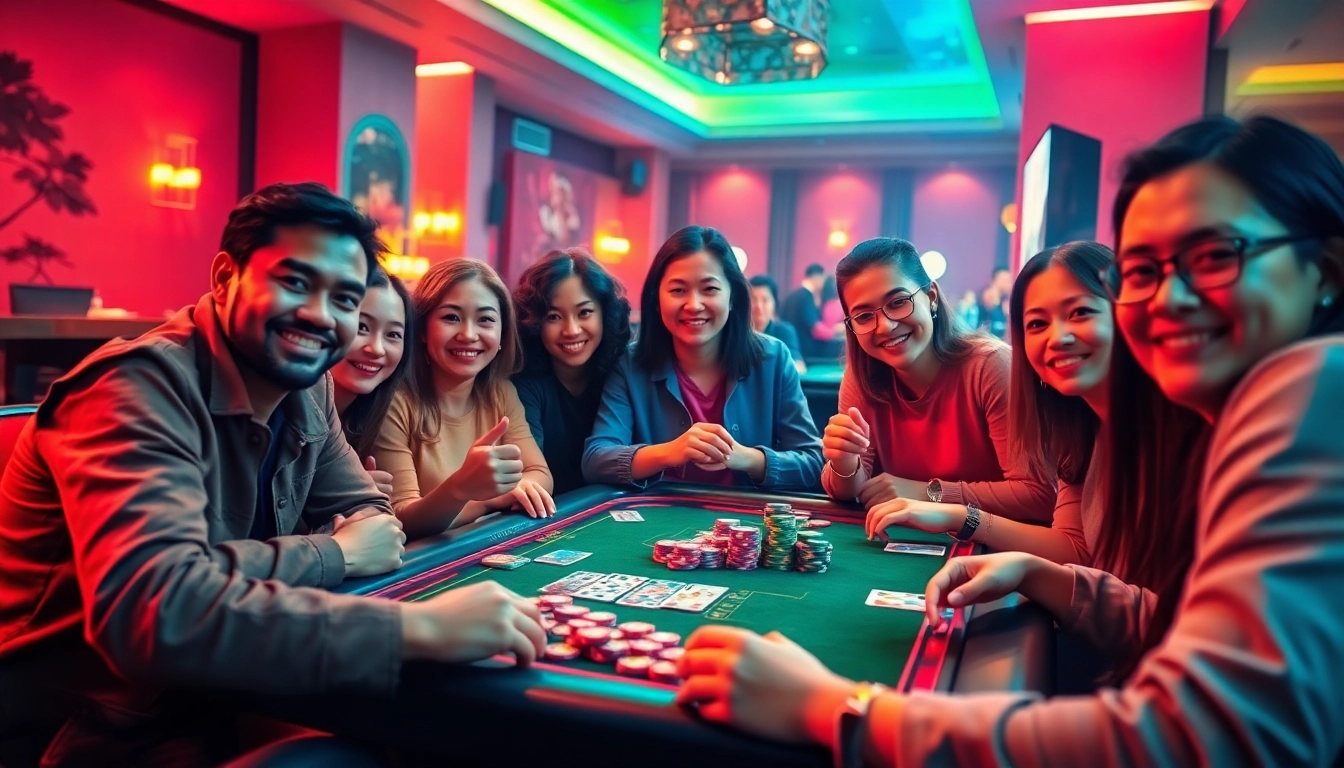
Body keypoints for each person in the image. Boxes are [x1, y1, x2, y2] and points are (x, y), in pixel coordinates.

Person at [675, 115, 1344, 767]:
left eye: (1214, 257)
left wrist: (840, 708)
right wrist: (1039, 574)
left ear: (1328, 269)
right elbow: (1167, 621)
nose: (1169, 298)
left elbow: (1204, 738)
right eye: (1144, 272)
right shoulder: (1115, 423)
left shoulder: (1312, 390)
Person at [0, 183, 547, 767]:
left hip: (226, 699)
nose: (319, 314)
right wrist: (398, 613)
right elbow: (162, 611)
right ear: (224, 277)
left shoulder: (307, 387)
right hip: (82, 731)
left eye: (344, 299)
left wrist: (231, 564)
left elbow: (378, 528)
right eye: (294, 282)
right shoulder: (133, 388)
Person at [865, 241, 1114, 565]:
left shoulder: (991, 363)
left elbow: (1040, 497)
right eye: (1037, 323)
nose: (1058, 338)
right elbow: (1075, 550)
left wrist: (934, 497)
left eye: (1080, 312)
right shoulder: (1077, 423)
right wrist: (959, 517)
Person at [820, 237, 1053, 522]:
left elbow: (1040, 495)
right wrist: (845, 462)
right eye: (864, 315)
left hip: (992, 552)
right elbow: (849, 491)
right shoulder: (861, 377)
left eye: (897, 302)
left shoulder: (991, 366)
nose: (886, 326)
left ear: (931, 296)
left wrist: (929, 493)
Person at [583, 226, 823, 491]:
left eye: (709, 289)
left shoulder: (773, 359)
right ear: (656, 299)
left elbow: (812, 463)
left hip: (748, 525)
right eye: (678, 290)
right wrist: (671, 451)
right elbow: (596, 459)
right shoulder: (630, 364)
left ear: (732, 297)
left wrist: (747, 458)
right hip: (657, 523)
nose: (694, 305)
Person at [374, 259, 555, 539]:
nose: (468, 335)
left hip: (478, 545)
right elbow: (403, 518)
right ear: (422, 329)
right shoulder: (395, 402)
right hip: (417, 565)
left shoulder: (501, 392)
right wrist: (483, 496)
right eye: (451, 317)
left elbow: (539, 474)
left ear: (503, 333)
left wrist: (500, 490)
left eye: (485, 319)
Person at [513, 248, 633, 496]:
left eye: (584, 312)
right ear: (534, 322)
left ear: (606, 314)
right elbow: (528, 475)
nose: (571, 330)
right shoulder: (523, 384)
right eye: (554, 316)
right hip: (548, 517)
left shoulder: (624, 373)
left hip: (616, 507)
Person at [330, 267, 413, 496]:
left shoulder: (383, 420)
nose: (376, 349)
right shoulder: (288, 413)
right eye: (361, 327)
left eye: (393, 334)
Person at [747, 274, 806, 371]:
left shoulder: (785, 331)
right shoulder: (737, 333)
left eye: (765, 300)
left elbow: (798, 366)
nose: (759, 306)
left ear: (774, 303)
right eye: (753, 300)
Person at [780, 262, 827, 359]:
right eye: (823, 278)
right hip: (803, 353)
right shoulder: (806, 296)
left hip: (788, 350)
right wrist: (834, 332)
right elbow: (814, 328)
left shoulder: (791, 295)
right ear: (816, 277)